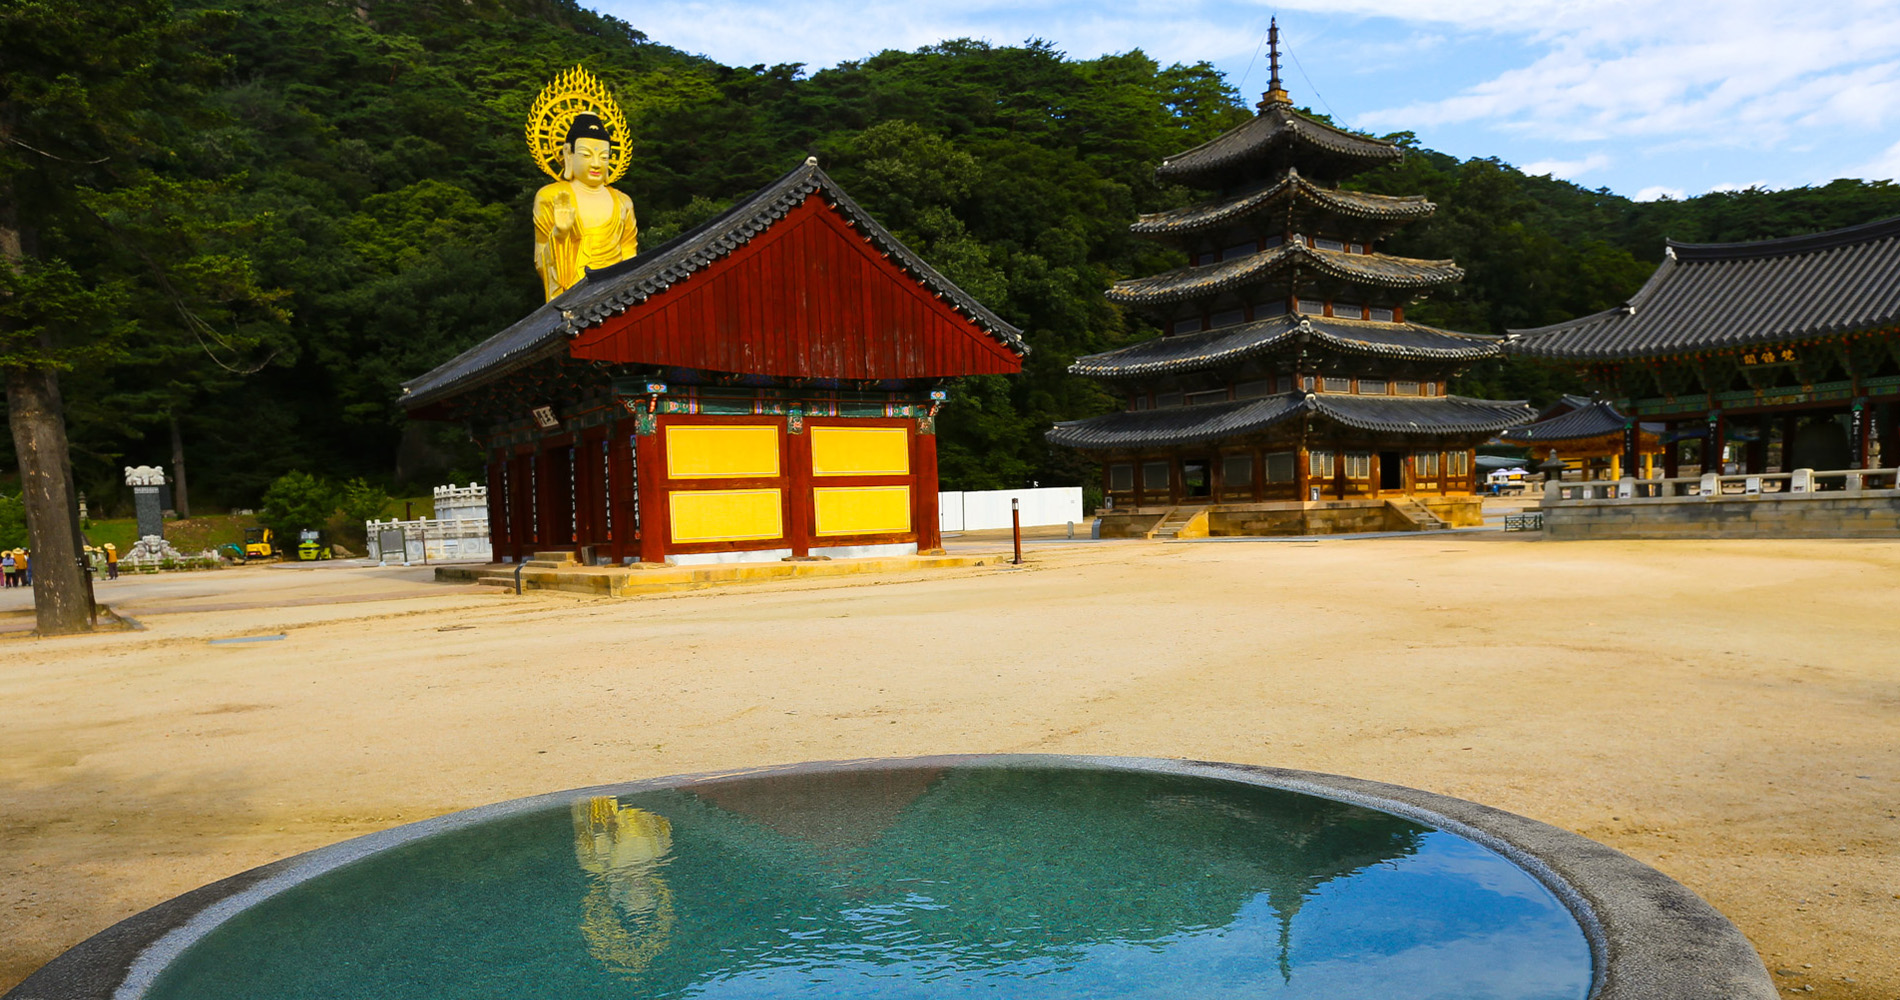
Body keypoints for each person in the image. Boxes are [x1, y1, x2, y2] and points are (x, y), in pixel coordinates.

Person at [532, 111, 638, 301]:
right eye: (586, 155)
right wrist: (560, 234)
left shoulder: (623, 202)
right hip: (574, 295)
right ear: (568, 154)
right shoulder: (551, 197)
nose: (596, 164)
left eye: (604, 157)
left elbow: (630, 254)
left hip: (615, 295)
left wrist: (627, 291)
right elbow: (541, 260)